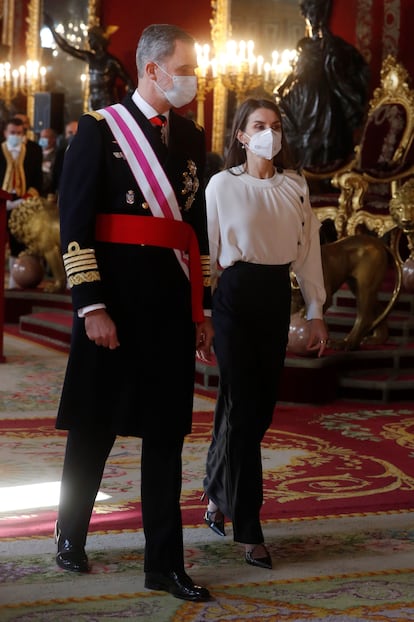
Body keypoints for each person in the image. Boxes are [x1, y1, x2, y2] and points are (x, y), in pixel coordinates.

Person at [54, 23, 213, 603]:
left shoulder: (193, 138)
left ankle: (163, 562)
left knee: (166, 436)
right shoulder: (99, 131)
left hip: (169, 310)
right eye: (186, 66)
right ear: (152, 70)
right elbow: (73, 223)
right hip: (112, 308)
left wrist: (203, 309)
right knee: (93, 429)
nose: (193, 78)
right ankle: (70, 532)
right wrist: (90, 305)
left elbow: (194, 233)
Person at [202, 97, 329, 569]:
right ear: (240, 134)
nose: (268, 134)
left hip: (276, 296)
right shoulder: (221, 185)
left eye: (275, 126)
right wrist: (204, 314)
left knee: (254, 411)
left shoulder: (296, 187)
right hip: (234, 295)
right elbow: (208, 251)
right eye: (259, 125)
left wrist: (315, 309)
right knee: (243, 403)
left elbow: (308, 252)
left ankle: (217, 491)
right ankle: (248, 529)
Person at [276, 0, 369, 168]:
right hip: (302, 99)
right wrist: (281, 90)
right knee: (300, 148)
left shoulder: (331, 47)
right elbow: (289, 79)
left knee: (317, 147)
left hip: (318, 102)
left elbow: (346, 69)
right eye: (309, 14)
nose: (312, 18)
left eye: (316, 13)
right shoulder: (305, 48)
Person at [43, 13, 135, 111]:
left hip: (107, 103)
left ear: (98, 40)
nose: (89, 42)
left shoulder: (111, 62)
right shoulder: (90, 57)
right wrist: (51, 28)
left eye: (91, 39)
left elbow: (130, 83)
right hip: (93, 102)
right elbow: (66, 47)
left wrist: (126, 107)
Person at [0, 116, 43, 287]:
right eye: (12, 133)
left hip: (24, 203)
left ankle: (16, 281)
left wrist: (26, 198)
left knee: (21, 243)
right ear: (5, 133)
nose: (15, 136)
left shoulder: (34, 150)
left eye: (19, 133)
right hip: (2, 200)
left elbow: (38, 179)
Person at [52, 120, 79, 194]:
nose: (73, 135)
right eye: (70, 133)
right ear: (66, 135)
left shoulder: (89, 154)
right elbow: (56, 175)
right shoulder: (60, 153)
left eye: (77, 132)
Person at [39, 127, 58, 196]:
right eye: (41, 137)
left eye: (46, 137)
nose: (43, 139)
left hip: (48, 192)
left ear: (53, 139)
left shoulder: (57, 155)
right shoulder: (36, 153)